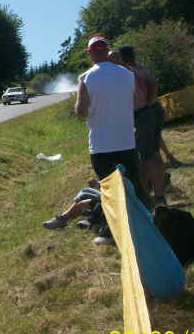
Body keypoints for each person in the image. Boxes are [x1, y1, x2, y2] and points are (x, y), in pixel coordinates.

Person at [65, 36, 150, 242]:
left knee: (109, 188)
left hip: (101, 144)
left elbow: (81, 111)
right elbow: (139, 102)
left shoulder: (86, 77)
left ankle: (111, 232)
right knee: (134, 186)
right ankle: (146, 226)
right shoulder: (127, 74)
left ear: (90, 54)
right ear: (107, 51)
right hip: (126, 140)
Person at [118, 45, 167, 206]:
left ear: (121, 58)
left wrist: (147, 104)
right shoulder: (138, 68)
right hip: (150, 111)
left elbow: (153, 85)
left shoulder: (131, 72)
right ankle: (150, 192)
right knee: (149, 154)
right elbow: (153, 84)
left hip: (144, 113)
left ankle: (158, 196)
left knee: (148, 156)